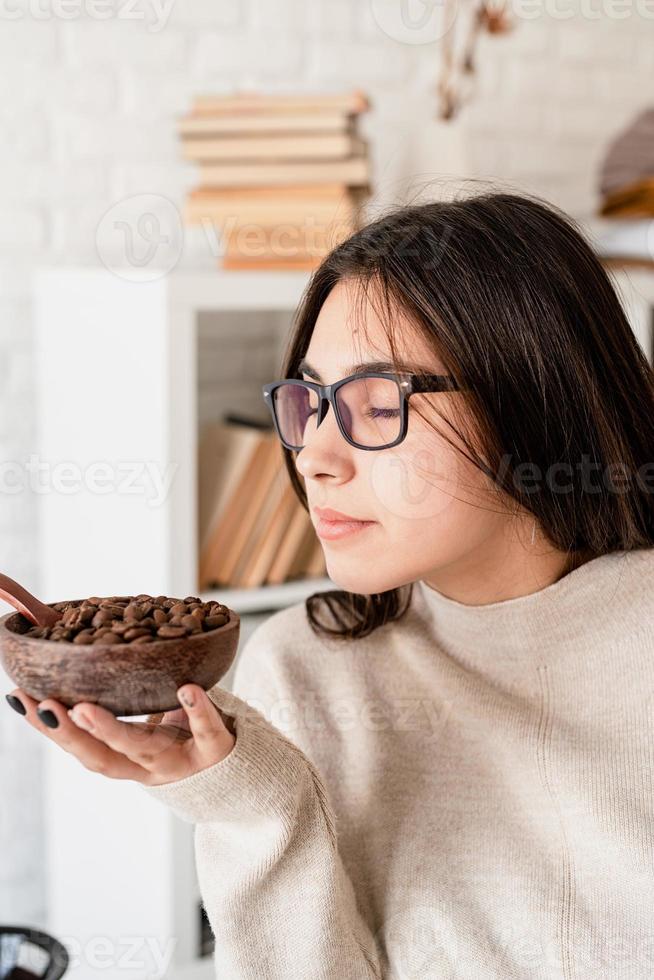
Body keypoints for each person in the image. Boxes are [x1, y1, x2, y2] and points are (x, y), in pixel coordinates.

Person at [7, 189, 654, 979]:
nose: (314, 454)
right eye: (309, 400)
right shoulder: (308, 663)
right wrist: (256, 803)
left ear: (534, 396)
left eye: (378, 403)